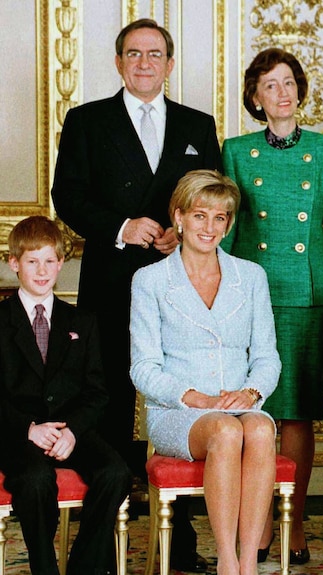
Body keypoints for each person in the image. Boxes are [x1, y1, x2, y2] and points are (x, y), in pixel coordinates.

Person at [50, 18, 221, 572]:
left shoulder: (199, 124)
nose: (144, 63)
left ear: (170, 65)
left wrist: (182, 229)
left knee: (180, 399)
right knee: (113, 404)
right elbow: (67, 194)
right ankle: (110, 534)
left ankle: (183, 542)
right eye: (133, 54)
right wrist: (122, 226)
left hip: (182, 282)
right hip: (113, 282)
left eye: (154, 54)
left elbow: (211, 194)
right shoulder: (86, 120)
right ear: (119, 63)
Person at [221, 47, 323, 564]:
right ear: (255, 96)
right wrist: (219, 300)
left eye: (289, 82)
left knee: (295, 415)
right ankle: (258, 524)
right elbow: (227, 235)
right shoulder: (235, 150)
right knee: (256, 411)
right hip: (252, 297)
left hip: (307, 298)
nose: (283, 92)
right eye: (270, 85)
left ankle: (292, 521)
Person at [130, 170, 281, 575]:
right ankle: (227, 563)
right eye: (200, 215)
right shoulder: (150, 280)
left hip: (239, 404)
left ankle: (248, 560)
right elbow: (143, 369)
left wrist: (250, 393)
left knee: (262, 429)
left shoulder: (251, 277)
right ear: (178, 217)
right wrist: (196, 398)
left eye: (220, 218)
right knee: (226, 431)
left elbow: (268, 358)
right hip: (177, 412)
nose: (209, 227)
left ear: (229, 224)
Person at [0, 216, 132, 575]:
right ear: (14, 263)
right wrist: (28, 429)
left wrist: (72, 431)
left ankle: (83, 568)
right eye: (31, 261)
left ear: (61, 262)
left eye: (49, 261)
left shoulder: (82, 321)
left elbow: (97, 392)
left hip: (71, 431)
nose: (42, 271)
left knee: (116, 472)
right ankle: (45, 568)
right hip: (18, 435)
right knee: (36, 480)